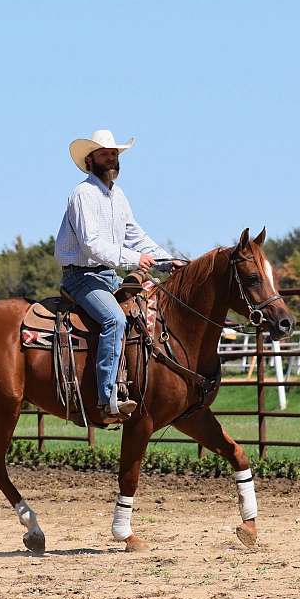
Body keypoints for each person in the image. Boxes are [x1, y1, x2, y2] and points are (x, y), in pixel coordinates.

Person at [55, 129, 183, 423]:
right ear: (90, 160)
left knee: (149, 309)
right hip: (81, 277)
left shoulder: (118, 196)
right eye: (105, 153)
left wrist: (166, 259)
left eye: (114, 153)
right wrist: (135, 259)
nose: (111, 157)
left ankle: (143, 385)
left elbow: (135, 235)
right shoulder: (82, 194)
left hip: (108, 276)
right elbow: (92, 244)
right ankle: (107, 397)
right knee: (115, 318)